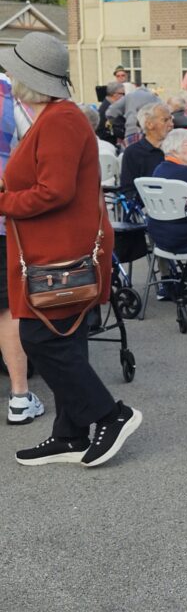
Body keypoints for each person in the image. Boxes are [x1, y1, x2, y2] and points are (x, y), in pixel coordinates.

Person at [0, 32, 141, 467]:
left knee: (43, 339)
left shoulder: (58, 118)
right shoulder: (57, 115)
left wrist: (2, 200)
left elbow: (54, 191)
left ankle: (110, 415)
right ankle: (70, 434)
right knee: (63, 339)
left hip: (58, 253)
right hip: (58, 249)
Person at [0, 70, 43, 426]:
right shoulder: (7, 89)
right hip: (2, 215)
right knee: (7, 309)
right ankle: (18, 395)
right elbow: (35, 142)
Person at [120, 102, 173, 202]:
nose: (171, 124)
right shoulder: (133, 152)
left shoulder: (178, 148)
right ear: (149, 124)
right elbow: (128, 189)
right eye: (165, 120)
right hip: (149, 207)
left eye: (171, 119)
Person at [97, 80, 124, 147]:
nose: (124, 97)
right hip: (109, 144)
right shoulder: (109, 109)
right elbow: (117, 130)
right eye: (123, 94)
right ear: (115, 94)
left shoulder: (108, 105)